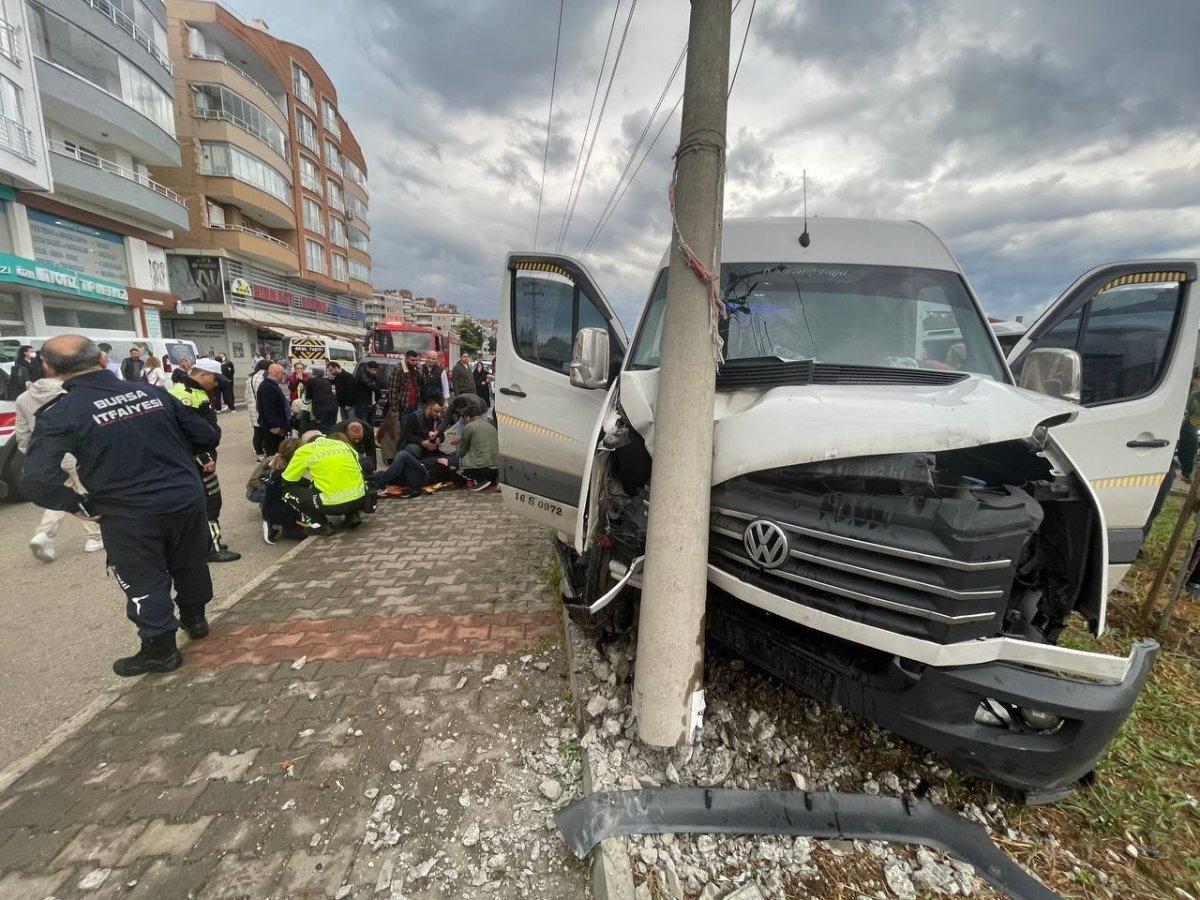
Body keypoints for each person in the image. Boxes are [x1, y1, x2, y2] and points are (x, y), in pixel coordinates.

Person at [21, 335, 219, 675]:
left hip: (129, 511)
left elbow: (37, 479)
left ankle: (160, 650)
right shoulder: (153, 392)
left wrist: (78, 505)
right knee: (190, 561)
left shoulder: (61, 413)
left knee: (143, 575)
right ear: (101, 359)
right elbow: (205, 436)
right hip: (183, 497)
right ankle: (196, 621)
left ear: (48, 368)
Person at [16, 375, 104, 560]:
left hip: (47, 452)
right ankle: (94, 536)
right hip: (73, 450)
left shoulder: (23, 399)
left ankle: (45, 533)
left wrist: (34, 456)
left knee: (61, 494)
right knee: (81, 491)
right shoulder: (67, 393)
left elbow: (23, 433)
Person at [170, 358, 241, 563]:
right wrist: (203, 456)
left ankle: (208, 542)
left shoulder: (191, 391)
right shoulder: (185, 395)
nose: (216, 383)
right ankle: (213, 547)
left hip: (200, 457)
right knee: (209, 502)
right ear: (203, 375)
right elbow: (186, 432)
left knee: (207, 501)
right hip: (198, 460)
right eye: (215, 378)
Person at [280, 430, 368, 534]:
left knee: (287, 491)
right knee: (343, 477)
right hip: (360, 500)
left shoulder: (305, 450)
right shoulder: (343, 444)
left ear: (304, 443)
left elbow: (288, 479)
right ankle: (352, 516)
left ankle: (321, 525)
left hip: (333, 506)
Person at [440, 397, 499, 491]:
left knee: (451, 462)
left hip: (482, 467)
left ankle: (479, 480)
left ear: (467, 417)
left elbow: (463, 450)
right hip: (496, 466)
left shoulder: (469, 426)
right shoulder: (490, 424)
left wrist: (453, 461)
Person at [260, 437, 308, 544]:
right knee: (312, 531)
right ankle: (280, 526)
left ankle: (275, 523)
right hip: (283, 513)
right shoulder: (287, 473)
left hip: (274, 509)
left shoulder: (280, 468)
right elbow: (307, 485)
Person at [257, 363, 291, 456]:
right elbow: (269, 408)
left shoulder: (272, 385)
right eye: (283, 373)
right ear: (277, 373)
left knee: (278, 450)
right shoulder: (267, 387)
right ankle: (274, 468)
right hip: (274, 428)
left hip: (278, 425)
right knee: (274, 452)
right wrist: (274, 426)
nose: (284, 376)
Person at [245, 358, 270, 459]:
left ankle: (258, 452)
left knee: (257, 431)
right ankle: (261, 453)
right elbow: (264, 395)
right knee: (264, 432)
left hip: (252, 407)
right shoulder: (263, 378)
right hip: (260, 408)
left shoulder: (250, 378)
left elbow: (246, 395)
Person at [307, 366, 338, 433]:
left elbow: (308, 396)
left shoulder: (311, 380)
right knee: (332, 425)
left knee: (323, 427)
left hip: (321, 407)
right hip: (334, 405)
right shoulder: (327, 381)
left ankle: (325, 440)